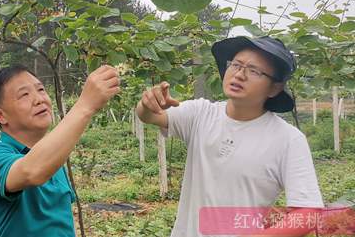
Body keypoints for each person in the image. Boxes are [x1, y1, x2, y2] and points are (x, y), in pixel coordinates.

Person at [136, 36, 324, 236]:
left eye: (253, 71)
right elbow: (151, 116)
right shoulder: (200, 114)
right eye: (236, 65)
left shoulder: (288, 139)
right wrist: (147, 104)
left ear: (274, 88)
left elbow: (307, 212)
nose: (239, 75)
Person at [0, 65, 120, 237]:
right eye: (24, 95)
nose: (39, 99)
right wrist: (85, 105)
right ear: (1, 116)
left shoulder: (52, 159)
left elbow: (62, 219)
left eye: (41, 90)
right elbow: (30, 171)